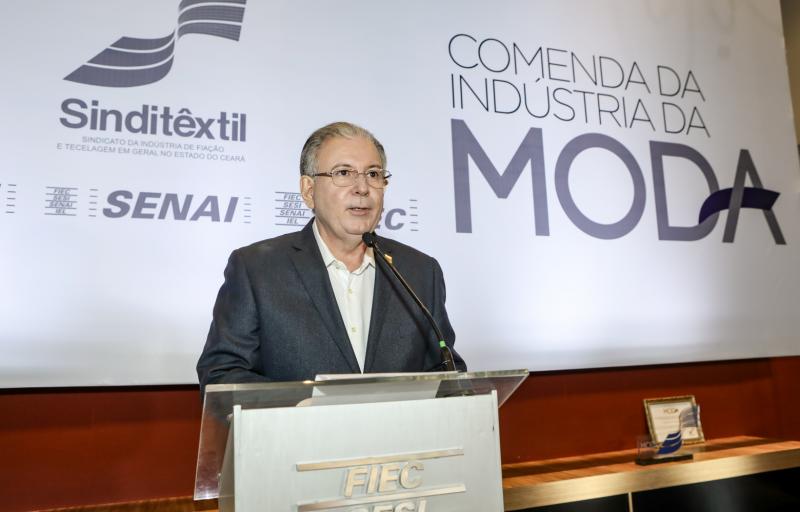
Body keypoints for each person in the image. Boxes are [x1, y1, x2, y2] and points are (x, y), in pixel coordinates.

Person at [197, 122, 465, 392]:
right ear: (309, 191)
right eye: (344, 173)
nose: (362, 188)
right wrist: (305, 406)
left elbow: (446, 371)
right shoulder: (257, 269)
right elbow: (222, 374)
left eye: (373, 174)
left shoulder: (420, 272)